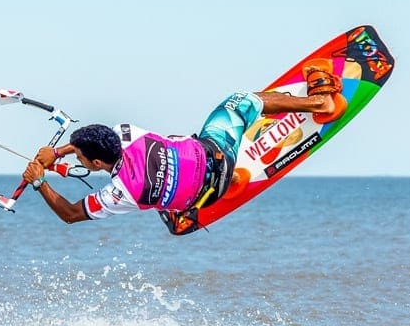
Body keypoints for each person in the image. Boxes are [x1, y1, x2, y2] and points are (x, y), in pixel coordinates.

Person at [22, 61, 346, 234]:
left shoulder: (120, 193)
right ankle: (319, 102)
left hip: (204, 198)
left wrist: (41, 180)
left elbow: (70, 214)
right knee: (241, 102)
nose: (73, 154)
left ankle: (321, 103)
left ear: (95, 162)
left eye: (78, 155)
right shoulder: (128, 133)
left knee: (156, 197)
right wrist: (58, 155)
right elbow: (96, 141)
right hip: (220, 155)